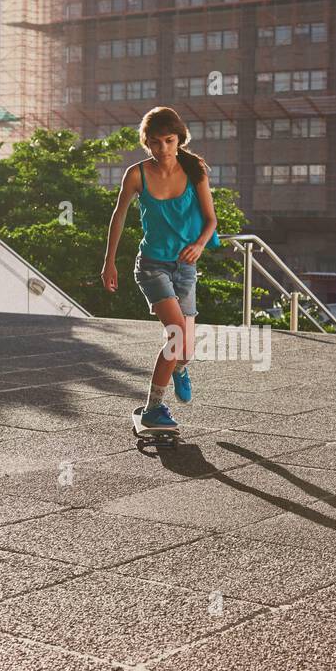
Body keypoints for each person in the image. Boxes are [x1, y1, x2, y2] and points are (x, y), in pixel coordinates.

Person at [101, 106, 220, 431]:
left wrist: (199, 244)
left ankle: (180, 367)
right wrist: (109, 261)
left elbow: (211, 220)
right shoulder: (136, 174)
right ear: (147, 143)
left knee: (184, 349)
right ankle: (154, 408)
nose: (163, 148)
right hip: (152, 265)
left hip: (185, 268)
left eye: (169, 140)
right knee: (177, 334)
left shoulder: (194, 169)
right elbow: (120, 215)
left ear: (180, 138)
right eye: (155, 142)